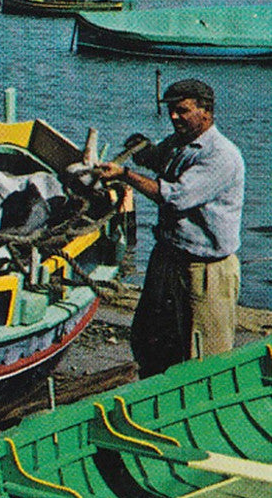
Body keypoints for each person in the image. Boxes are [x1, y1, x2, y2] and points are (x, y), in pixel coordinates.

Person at [95, 78, 244, 377]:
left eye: (182, 110)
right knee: (150, 342)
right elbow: (158, 159)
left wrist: (125, 175)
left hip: (204, 270)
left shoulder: (220, 155)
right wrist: (143, 149)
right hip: (168, 259)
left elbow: (176, 197)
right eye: (171, 111)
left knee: (202, 358)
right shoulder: (180, 143)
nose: (174, 117)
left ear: (206, 112)